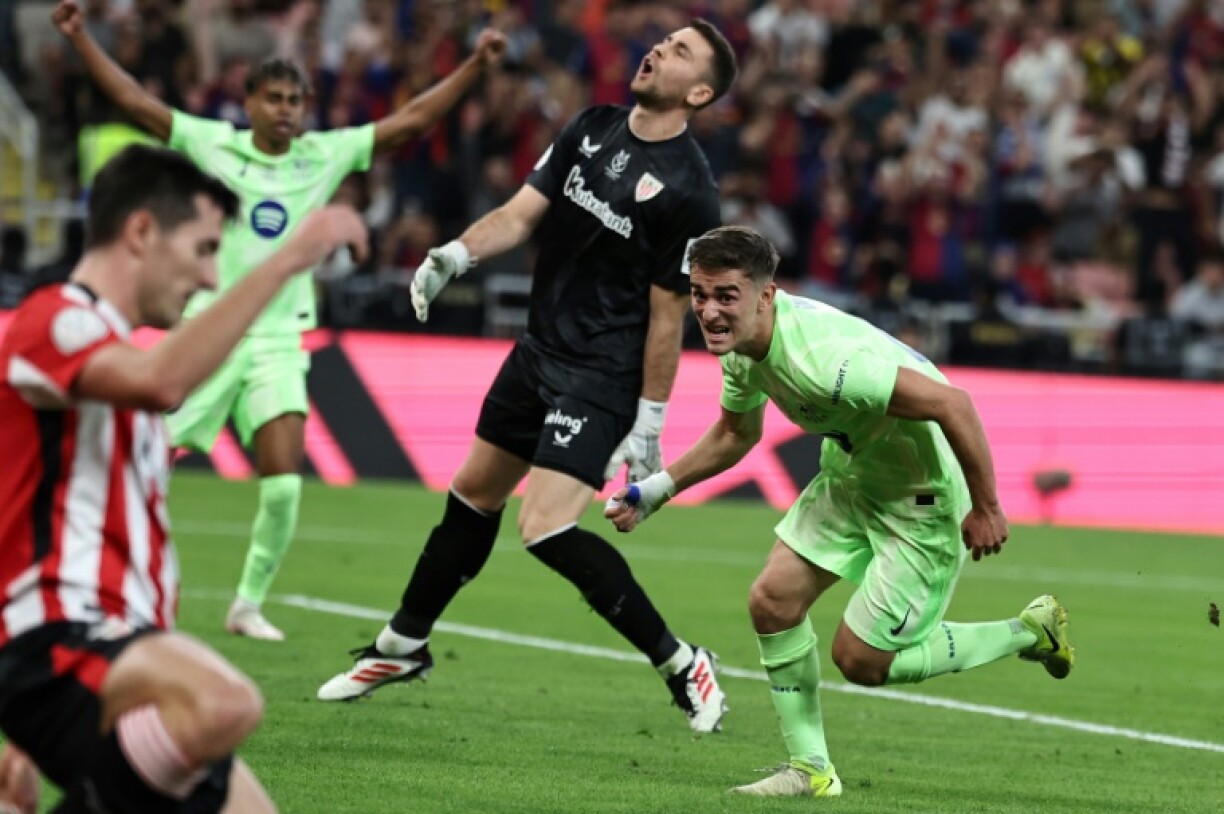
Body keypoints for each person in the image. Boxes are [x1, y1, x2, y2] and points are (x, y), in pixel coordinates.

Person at [317, 20, 740, 733]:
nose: (659, 49)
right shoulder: (592, 126)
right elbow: (520, 214)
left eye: (680, 52)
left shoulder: (692, 192)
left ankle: (681, 662)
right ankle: (402, 644)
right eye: (663, 40)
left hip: (601, 374)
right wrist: (454, 254)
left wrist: (650, 420)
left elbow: (669, 317)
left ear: (698, 91)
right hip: (537, 353)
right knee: (472, 496)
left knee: (543, 528)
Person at [53, 0, 508, 641]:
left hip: (278, 338)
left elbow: (410, 122)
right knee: (140, 460)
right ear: (249, 102)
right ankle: (93, 579)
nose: (287, 110)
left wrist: (473, 65)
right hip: (207, 335)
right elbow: (135, 105)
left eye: (296, 99)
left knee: (284, 485)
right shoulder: (212, 143)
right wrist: (79, 39)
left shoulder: (321, 155)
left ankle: (247, 604)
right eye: (274, 98)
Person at [604, 225, 1075, 795]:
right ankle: (811, 771)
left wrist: (987, 506)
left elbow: (953, 403)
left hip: (917, 494)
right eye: (700, 294)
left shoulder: (824, 364)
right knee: (772, 601)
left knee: (861, 661)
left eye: (725, 295)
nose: (708, 310)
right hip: (852, 474)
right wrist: (653, 491)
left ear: (765, 295)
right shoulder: (744, 348)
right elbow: (735, 433)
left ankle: (1028, 631)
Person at [0, 145, 366, 812]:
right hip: (55, 636)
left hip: (111, 649)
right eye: (202, 251)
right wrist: (287, 260)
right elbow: (162, 379)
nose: (207, 278)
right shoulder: (55, 318)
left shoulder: (111, 360)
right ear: (141, 232)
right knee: (225, 702)